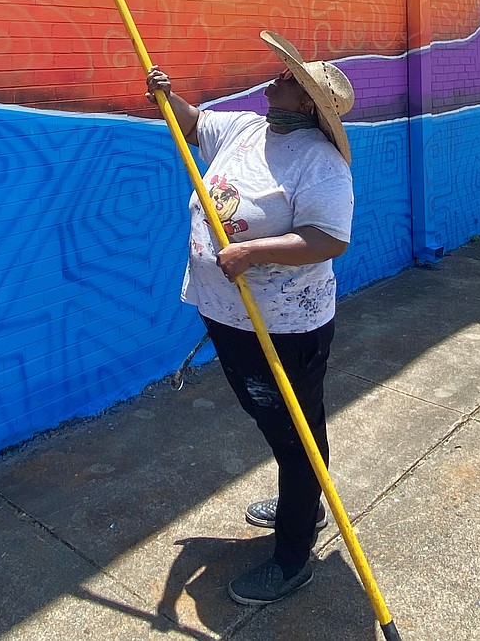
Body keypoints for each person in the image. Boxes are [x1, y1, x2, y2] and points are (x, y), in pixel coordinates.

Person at [146, 30, 355, 607]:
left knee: (295, 437)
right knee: (280, 427)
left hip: (286, 326)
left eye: (289, 81)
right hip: (231, 316)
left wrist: (252, 253)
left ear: (309, 105)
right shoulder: (245, 129)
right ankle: (303, 503)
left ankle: (292, 558)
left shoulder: (321, 163)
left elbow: (328, 238)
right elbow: (191, 127)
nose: (275, 80)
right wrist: (169, 96)